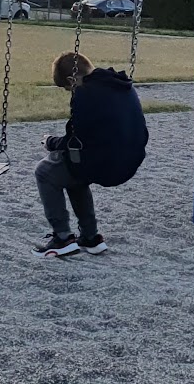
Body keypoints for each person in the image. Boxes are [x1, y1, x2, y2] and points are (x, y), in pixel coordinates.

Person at [32, 51, 148, 258]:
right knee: (73, 169)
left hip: (107, 165)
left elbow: (72, 140)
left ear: (71, 79)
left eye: (67, 88)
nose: (69, 91)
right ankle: (91, 238)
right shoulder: (121, 85)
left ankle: (62, 238)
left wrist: (50, 142)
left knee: (46, 170)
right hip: (131, 159)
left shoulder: (85, 93)